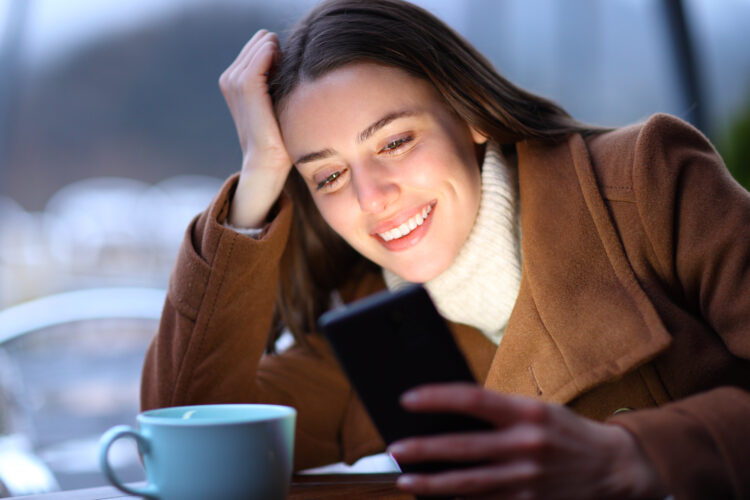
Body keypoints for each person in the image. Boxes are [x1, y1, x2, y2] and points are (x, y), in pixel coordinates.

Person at [140, 0, 750, 498]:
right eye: (327, 176)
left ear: (470, 115)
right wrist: (256, 186)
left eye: (395, 141)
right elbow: (184, 434)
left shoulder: (646, 181)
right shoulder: (374, 336)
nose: (372, 197)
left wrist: (631, 455)